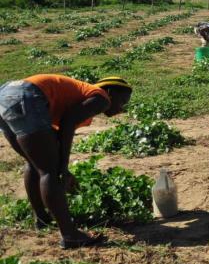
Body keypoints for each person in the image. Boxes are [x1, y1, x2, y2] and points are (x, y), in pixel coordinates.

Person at [0, 75, 132, 248]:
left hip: (6, 93)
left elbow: (57, 134)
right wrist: (62, 168)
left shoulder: (78, 95)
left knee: (35, 163)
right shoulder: (101, 98)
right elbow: (68, 122)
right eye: (122, 101)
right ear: (110, 92)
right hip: (27, 95)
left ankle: (41, 219)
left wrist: (63, 167)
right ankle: (70, 235)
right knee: (50, 171)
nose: (121, 109)